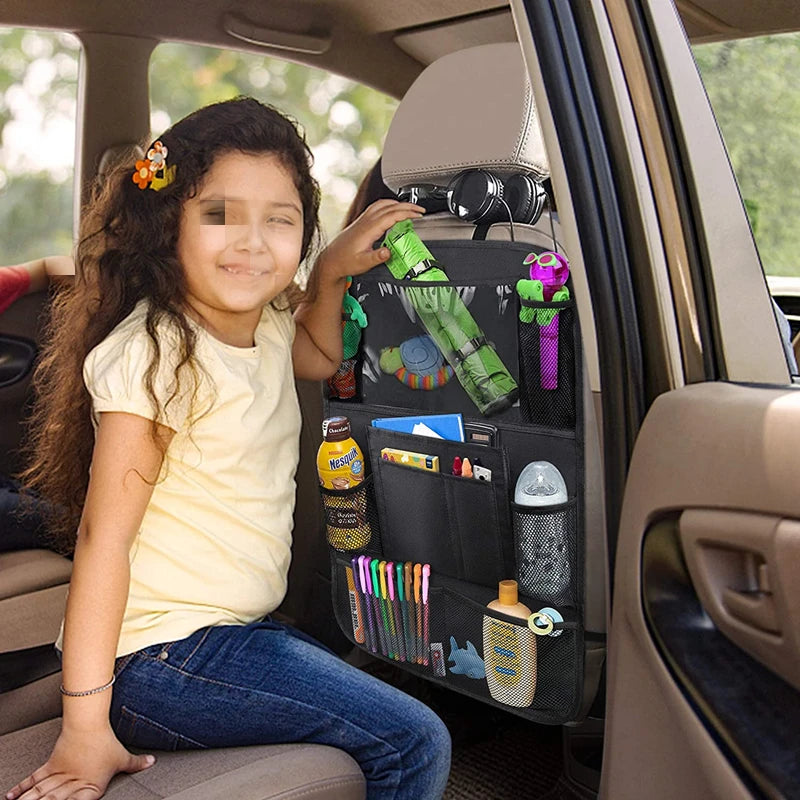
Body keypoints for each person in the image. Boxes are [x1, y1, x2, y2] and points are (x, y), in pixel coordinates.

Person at [4, 96, 450, 800]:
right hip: (154, 658)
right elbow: (102, 543)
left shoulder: (267, 320)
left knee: (357, 660)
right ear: (167, 225)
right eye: (220, 214)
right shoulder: (157, 354)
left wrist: (331, 271)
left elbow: (316, 350)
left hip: (225, 632)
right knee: (413, 739)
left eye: (281, 220)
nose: (252, 242)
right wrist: (84, 725)